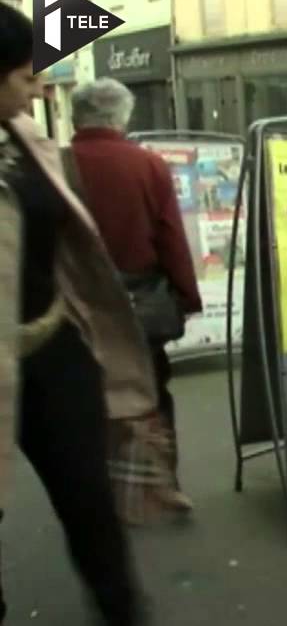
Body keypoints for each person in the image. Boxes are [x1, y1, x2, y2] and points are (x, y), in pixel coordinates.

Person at [0, 4, 161, 626]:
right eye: (23, 74)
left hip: (51, 345)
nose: (37, 87)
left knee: (87, 492)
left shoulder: (24, 139)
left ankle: (124, 623)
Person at [69, 77, 202, 514]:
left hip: (73, 304)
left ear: (76, 116)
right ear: (120, 117)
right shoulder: (147, 165)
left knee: (86, 396)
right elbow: (170, 238)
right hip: (138, 302)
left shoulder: (54, 164)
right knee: (150, 389)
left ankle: (97, 490)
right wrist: (186, 294)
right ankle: (163, 482)